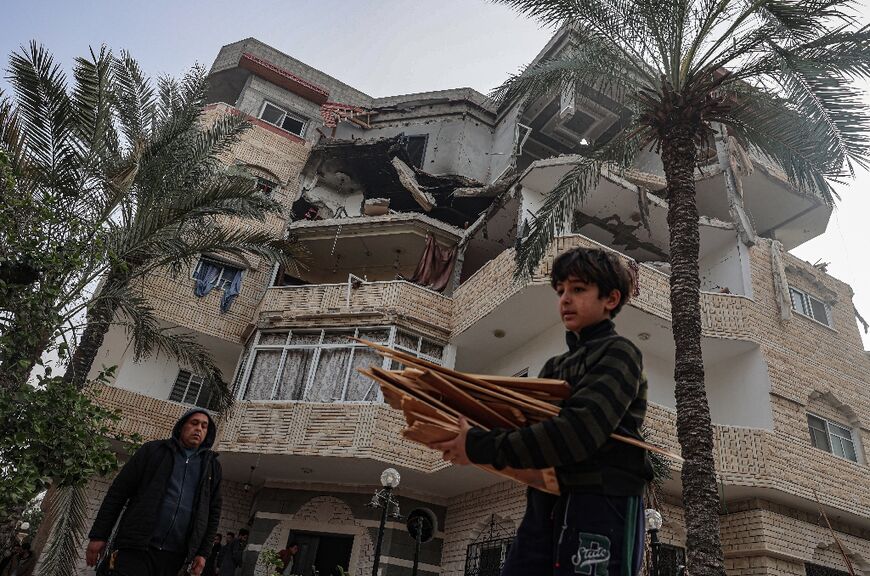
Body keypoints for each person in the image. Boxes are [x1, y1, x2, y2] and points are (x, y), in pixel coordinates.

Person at [432, 247, 653, 576]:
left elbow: (577, 433)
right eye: (560, 290)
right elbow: (532, 433)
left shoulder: (619, 353)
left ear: (610, 299)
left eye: (578, 289)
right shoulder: (555, 366)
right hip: (545, 502)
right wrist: (471, 439)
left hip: (603, 501)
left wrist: (477, 445)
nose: (565, 299)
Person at [85, 409, 223, 576]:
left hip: (175, 557)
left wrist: (203, 553)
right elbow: (118, 493)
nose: (199, 429)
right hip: (137, 547)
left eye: (204, 426)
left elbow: (213, 513)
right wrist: (99, 535)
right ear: (181, 427)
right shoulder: (153, 451)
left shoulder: (211, 467)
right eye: (194, 423)